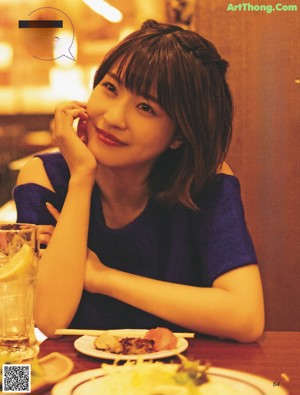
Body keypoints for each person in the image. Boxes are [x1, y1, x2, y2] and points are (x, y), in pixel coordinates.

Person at [14, 19, 264, 342]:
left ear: (178, 136)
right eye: (110, 88)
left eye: (146, 107)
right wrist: (82, 177)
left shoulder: (206, 184)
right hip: (76, 382)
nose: (114, 117)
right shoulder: (47, 177)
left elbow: (247, 317)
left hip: (177, 382)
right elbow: (47, 317)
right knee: (10, 385)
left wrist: (103, 278)